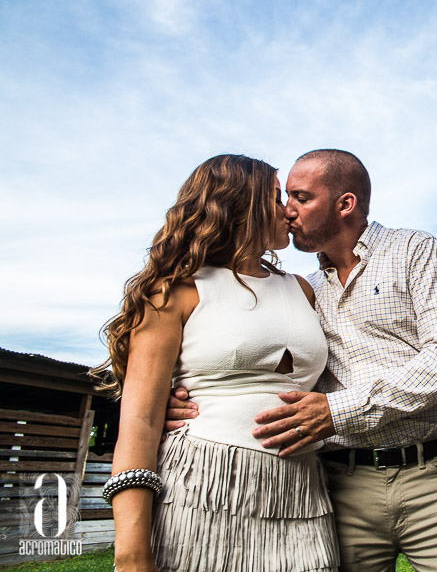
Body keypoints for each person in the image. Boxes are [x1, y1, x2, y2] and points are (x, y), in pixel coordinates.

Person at [167, 150, 437, 572]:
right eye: (284, 197)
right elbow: (249, 354)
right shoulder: (301, 290)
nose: (287, 210)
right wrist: (180, 394)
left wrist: (337, 411)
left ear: (345, 204)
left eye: (301, 197)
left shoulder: (419, 252)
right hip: (338, 487)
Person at [95, 154, 339, 572]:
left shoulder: (304, 290)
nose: (288, 211)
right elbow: (140, 421)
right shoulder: (175, 291)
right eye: (277, 197)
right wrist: (131, 555)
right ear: (238, 204)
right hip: (202, 487)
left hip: (302, 495)